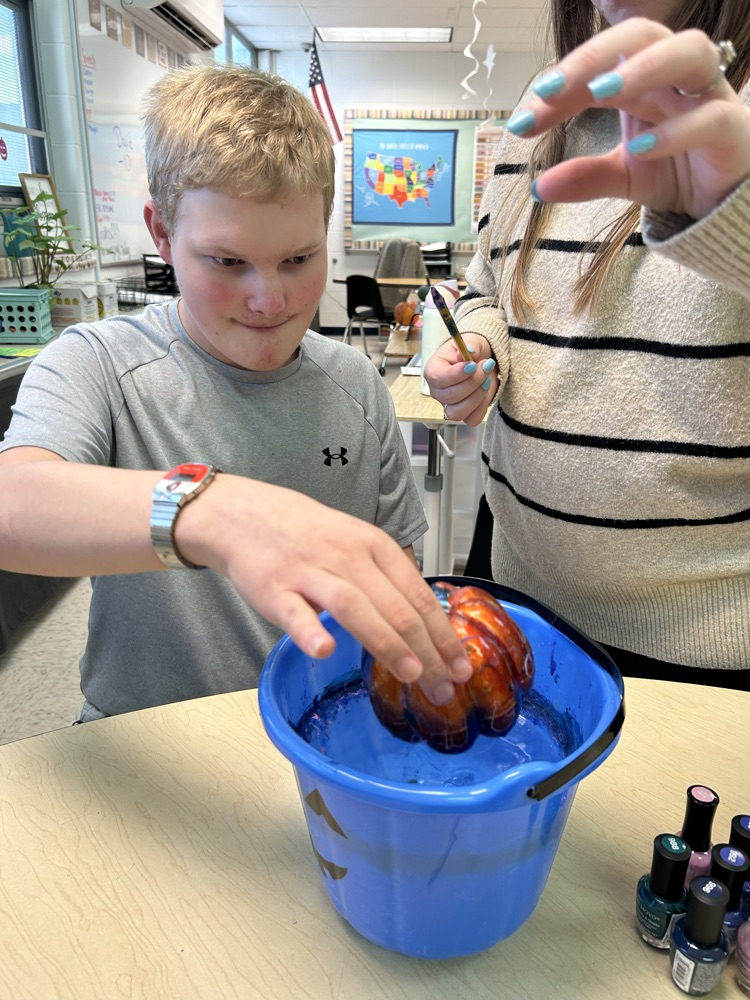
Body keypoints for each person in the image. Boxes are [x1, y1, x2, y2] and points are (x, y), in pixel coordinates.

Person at [0, 65, 472, 721]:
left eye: (299, 260)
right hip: (145, 737)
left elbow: (394, 564)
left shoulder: (357, 384)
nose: (269, 299)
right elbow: (12, 505)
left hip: (319, 729)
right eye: (227, 262)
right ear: (162, 235)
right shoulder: (99, 363)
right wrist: (213, 514)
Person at [425, 0, 750, 689]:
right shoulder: (544, 110)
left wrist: (735, 225)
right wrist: (483, 341)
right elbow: (488, 281)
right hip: (516, 590)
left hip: (703, 651)